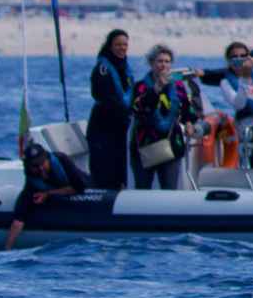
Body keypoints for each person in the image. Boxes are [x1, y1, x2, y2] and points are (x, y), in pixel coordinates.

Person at [130, 44, 200, 190]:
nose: (164, 65)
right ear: (151, 63)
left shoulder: (179, 85)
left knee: (169, 188)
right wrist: (156, 89)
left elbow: (188, 110)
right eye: (160, 61)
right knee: (142, 188)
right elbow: (138, 108)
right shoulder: (141, 86)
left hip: (172, 143)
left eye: (167, 61)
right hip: (145, 144)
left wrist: (188, 123)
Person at [4, 141, 88, 250]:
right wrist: (7, 249)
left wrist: (48, 194)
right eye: (35, 166)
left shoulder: (61, 160)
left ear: (47, 158)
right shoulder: (31, 184)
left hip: (87, 184)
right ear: (28, 166)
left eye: (42, 163)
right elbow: (18, 220)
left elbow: (79, 188)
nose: (40, 168)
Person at [85, 28, 132, 189]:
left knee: (119, 170)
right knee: (103, 171)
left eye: (125, 44)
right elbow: (103, 97)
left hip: (119, 128)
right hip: (102, 128)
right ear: (110, 46)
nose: (122, 48)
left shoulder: (124, 68)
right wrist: (127, 112)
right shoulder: (102, 69)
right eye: (118, 44)